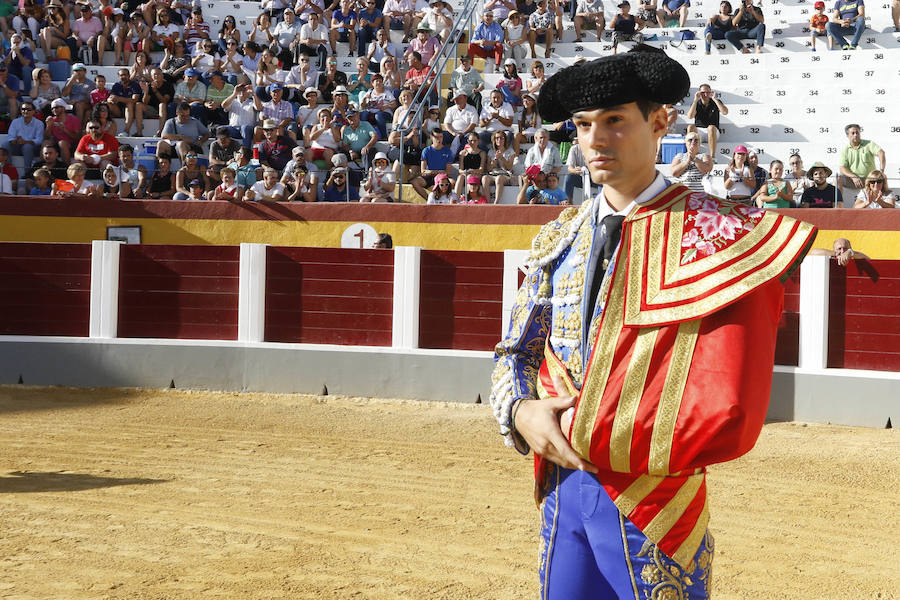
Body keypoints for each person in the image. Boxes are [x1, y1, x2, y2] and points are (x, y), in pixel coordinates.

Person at [490, 47, 816, 600]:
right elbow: (515, 352)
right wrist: (521, 411)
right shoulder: (561, 236)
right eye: (584, 125)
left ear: (660, 122)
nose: (595, 140)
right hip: (561, 484)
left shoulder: (713, 229)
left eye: (615, 121)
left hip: (655, 498)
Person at [839, 124, 885, 208]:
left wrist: (881, 170)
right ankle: (838, 206)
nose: (855, 135)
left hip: (870, 180)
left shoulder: (869, 144)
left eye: (857, 132)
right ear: (848, 135)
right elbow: (842, 168)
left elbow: (881, 152)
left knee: (879, 179)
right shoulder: (845, 150)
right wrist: (853, 176)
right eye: (852, 133)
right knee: (838, 178)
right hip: (853, 181)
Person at [686, 84, 727, 158]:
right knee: (690, 127)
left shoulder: (716, 102)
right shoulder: (696, 103)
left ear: (711, 93)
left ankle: (712, 157)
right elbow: (690, 116)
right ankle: (691, 156)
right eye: (703, 92)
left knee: (711, 128)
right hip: (699, 131)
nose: (705, 94)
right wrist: (695, 100)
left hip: (713, 131)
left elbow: (725, 112)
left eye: (708, 92)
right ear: (699, 93)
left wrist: (715, 99)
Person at [412, 127, 453, 200]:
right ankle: (429, 200)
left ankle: (445, 200)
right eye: (436, 137)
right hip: (430, 176)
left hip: (442, 177)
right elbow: (423, 170)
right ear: (431, 137)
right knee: (415, 182)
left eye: (441, 137)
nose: (439, 139)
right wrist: (432, 172)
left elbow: (448, 172)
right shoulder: (426, 150)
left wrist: (439, 173)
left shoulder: (447, 151)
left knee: (452, 182)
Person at [2, 101, 43, 173]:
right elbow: (11, 137)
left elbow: (39, 140)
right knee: (5, 145)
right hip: (17, 146)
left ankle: (27, 173)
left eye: (28, 109)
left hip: (33, 148)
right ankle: (9, 171)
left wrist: (25, 142)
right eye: (23, 109)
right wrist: (14, 141)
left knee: (27, 146)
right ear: (21, 111)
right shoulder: (15, 122)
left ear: (33, 111)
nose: (25, 111)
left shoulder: (39, 123)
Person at [482, 129, 515, 203]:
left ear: (505, 139)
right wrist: (493, 162)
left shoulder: (510, 152)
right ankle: (487, 202)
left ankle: (496, 203)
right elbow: (489, 169)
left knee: (499, 178)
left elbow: (509, 167)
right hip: (493, 174)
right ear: (494, 140)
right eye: (497, 138)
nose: (499, 140)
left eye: (501, 138)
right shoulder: (491, 152)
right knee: (484, 178)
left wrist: (502, 158)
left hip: (505, 175)